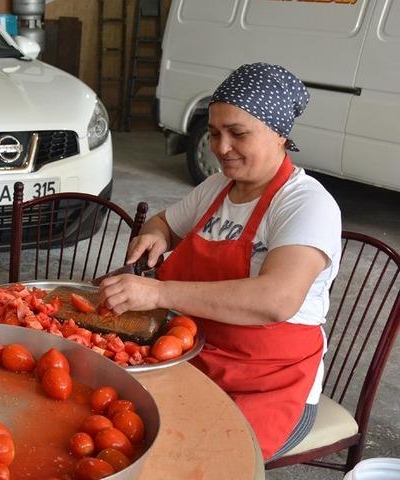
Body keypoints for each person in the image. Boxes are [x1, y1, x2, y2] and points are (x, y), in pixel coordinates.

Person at [99, 63, 342, 461]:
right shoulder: (217, 188)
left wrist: (158, 291)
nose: (221, 147)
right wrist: (155, 235)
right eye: (214, 133)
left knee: (193, 462)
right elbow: (165, 222)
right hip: (197, 361)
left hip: (270, 386)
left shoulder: (306, 204)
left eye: (238, 133)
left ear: (280, 133)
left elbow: (275, 300)